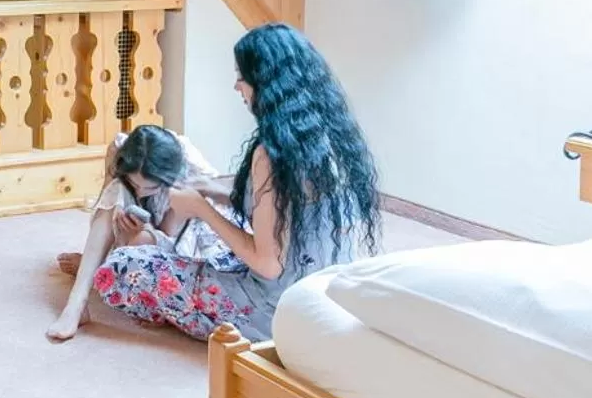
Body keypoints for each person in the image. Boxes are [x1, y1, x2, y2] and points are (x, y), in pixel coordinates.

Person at [88, 23, 380, 342]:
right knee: (196, 251)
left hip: (275, 310)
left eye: (242, 77)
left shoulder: (270, 155)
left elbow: (267, 265)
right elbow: (284, 215)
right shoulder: (330, 132)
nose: (237, 86)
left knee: (123, 266)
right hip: (321, 290)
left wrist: (202, 209)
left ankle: (174, 307)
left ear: (266, 83)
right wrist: (214, 191)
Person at [46, 123, 224, 343]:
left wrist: (143, 231)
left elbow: (170, 242)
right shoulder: (121, 150)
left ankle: (102, 269)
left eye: (148, 188)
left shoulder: (186, 176)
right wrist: (124, 220)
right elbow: (104, 205)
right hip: (142, 228)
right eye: (134, 183)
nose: (139, 192)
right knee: (115, 194)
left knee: (141, 242)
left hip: (183, 246)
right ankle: (77, 302)